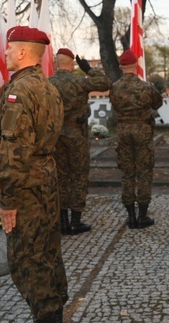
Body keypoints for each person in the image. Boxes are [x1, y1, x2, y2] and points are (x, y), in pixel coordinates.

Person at [0, 26, 67, 321]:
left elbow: (14, 151)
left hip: (25, 187)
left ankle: (48, 314)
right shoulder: (48, 87)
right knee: (48, 251)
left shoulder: (18, 91)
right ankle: (55, 308)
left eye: (10, 48)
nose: (6, 52)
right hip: (46, 178)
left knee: (27, 259)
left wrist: (8, 201)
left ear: (22, 52)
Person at [49, 47, 111, 235]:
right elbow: (105, 82)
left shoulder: (47, 83)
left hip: (55, 135)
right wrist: (88, 69)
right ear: (72, 64)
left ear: (56, 63)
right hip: (76, 135)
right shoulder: (78, 82)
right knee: (78, 175)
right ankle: (75, 221)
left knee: (60, 176)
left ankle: (62, 220)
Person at [109, 49, 163, 229]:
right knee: (144, 172)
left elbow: (115, 105)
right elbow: (157, 103)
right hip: (143, 131)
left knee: (127, 173)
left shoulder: (115, 87)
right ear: (136, 65)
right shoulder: (146, 86)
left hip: (124, 131)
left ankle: (130, 216)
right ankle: (142, 215)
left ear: (120, 66)